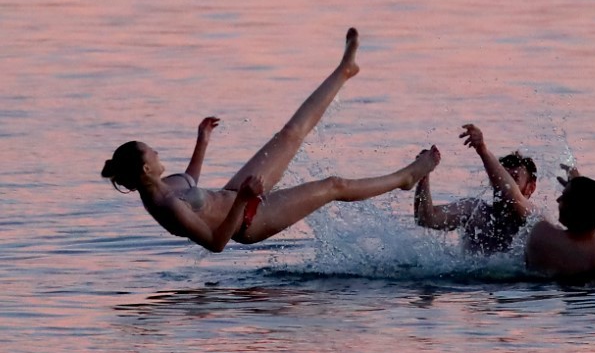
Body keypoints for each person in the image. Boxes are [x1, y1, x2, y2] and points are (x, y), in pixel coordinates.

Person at [101, 28, 440, 252]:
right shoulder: (168, 208)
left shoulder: (167, 186)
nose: (159, 152)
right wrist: (244, 199)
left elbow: (192, 180)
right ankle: (405, 177)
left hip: (237, 194)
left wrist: (202, 142)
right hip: (249, 221)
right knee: (334, 185)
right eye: (153, 152)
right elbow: (217, 243)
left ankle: (344, 71)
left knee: (289, 134)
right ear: (147, 168)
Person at [414, 124, 537, 254]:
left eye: (514, 179)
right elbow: (426, 219)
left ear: (530, 188)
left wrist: (482, 150)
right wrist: (423, 174)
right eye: (501, 178)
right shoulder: (476, 212)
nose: (504, 184)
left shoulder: (535, 220)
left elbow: (513, 196)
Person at [524, 165, 595, 276]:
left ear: (572, 208)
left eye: (564, 196)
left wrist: (578, 185)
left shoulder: (542, 235)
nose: (558, 200)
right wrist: (585, 191)